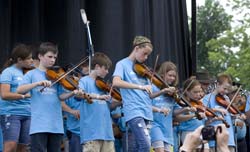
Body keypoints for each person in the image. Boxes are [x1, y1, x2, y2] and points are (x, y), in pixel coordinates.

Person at [16, 42, 67, 152]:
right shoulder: (31, 74)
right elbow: (20, 90)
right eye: (49, 56)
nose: (53, 60)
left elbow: (61, 96)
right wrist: (37, 84)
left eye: (54, 57)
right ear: (40, 56)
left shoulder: (57, 75)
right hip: (39, 125)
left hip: (56, 125)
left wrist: (73, 93)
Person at [112, 35, 153, 152]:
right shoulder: (122, 64)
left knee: (135, 148)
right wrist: (140, 86)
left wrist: (164, 90)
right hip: (134, 112)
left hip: (147, 112)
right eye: (144, 53)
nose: (146, 57)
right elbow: (116, 82)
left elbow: (150, 95)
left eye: (148, 55)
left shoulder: (143, 70)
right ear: (136, 48)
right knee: (146, 145)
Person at [78, 52, 117, 152]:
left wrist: (121, 101)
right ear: (97, 67)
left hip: (107, 133)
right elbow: (80, 94)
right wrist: (98, 96)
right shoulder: (84, 81)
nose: (108, 72)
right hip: (91, 133)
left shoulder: (104, 85)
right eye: (105, 68)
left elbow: (111, 105)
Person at [0, 44, 33, 152]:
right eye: (29, 58)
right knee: (10, 146)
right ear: (19, 60)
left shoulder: (29, 73)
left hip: (28, 114)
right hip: (11, 113)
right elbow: (4, 95)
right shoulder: (8, 72)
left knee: (23, 148)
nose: (32, 61)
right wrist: (24, 96)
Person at [202, 73, 241, 152]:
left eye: (228, 90)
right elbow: (203, 111)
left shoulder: (226, 99)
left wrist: (237, 117)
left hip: (229, 140)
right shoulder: (207, 98)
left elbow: (230, 115)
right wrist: (217, 110)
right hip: (215, 140)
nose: (226, 92)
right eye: (224, 88)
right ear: (217, 84)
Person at [149, 61, 179, 152]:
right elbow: (145, 105)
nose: (172, 78)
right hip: (154, 124)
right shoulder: (153, 87)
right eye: (170, 75)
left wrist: (186, 109)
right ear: (162, 74)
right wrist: (163, 91)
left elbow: (174, 112)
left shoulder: (173, 93)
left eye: (174, 76)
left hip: (167, 129)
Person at [175, 77, 208, 152]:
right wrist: (194, 115)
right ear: (187, 91)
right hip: (188, 131)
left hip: (201, 131)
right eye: (195, 92)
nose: (198, 94)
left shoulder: (199, 103)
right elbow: (178, 118)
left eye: (199, 92)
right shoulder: (182, 103)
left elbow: (203, 121)